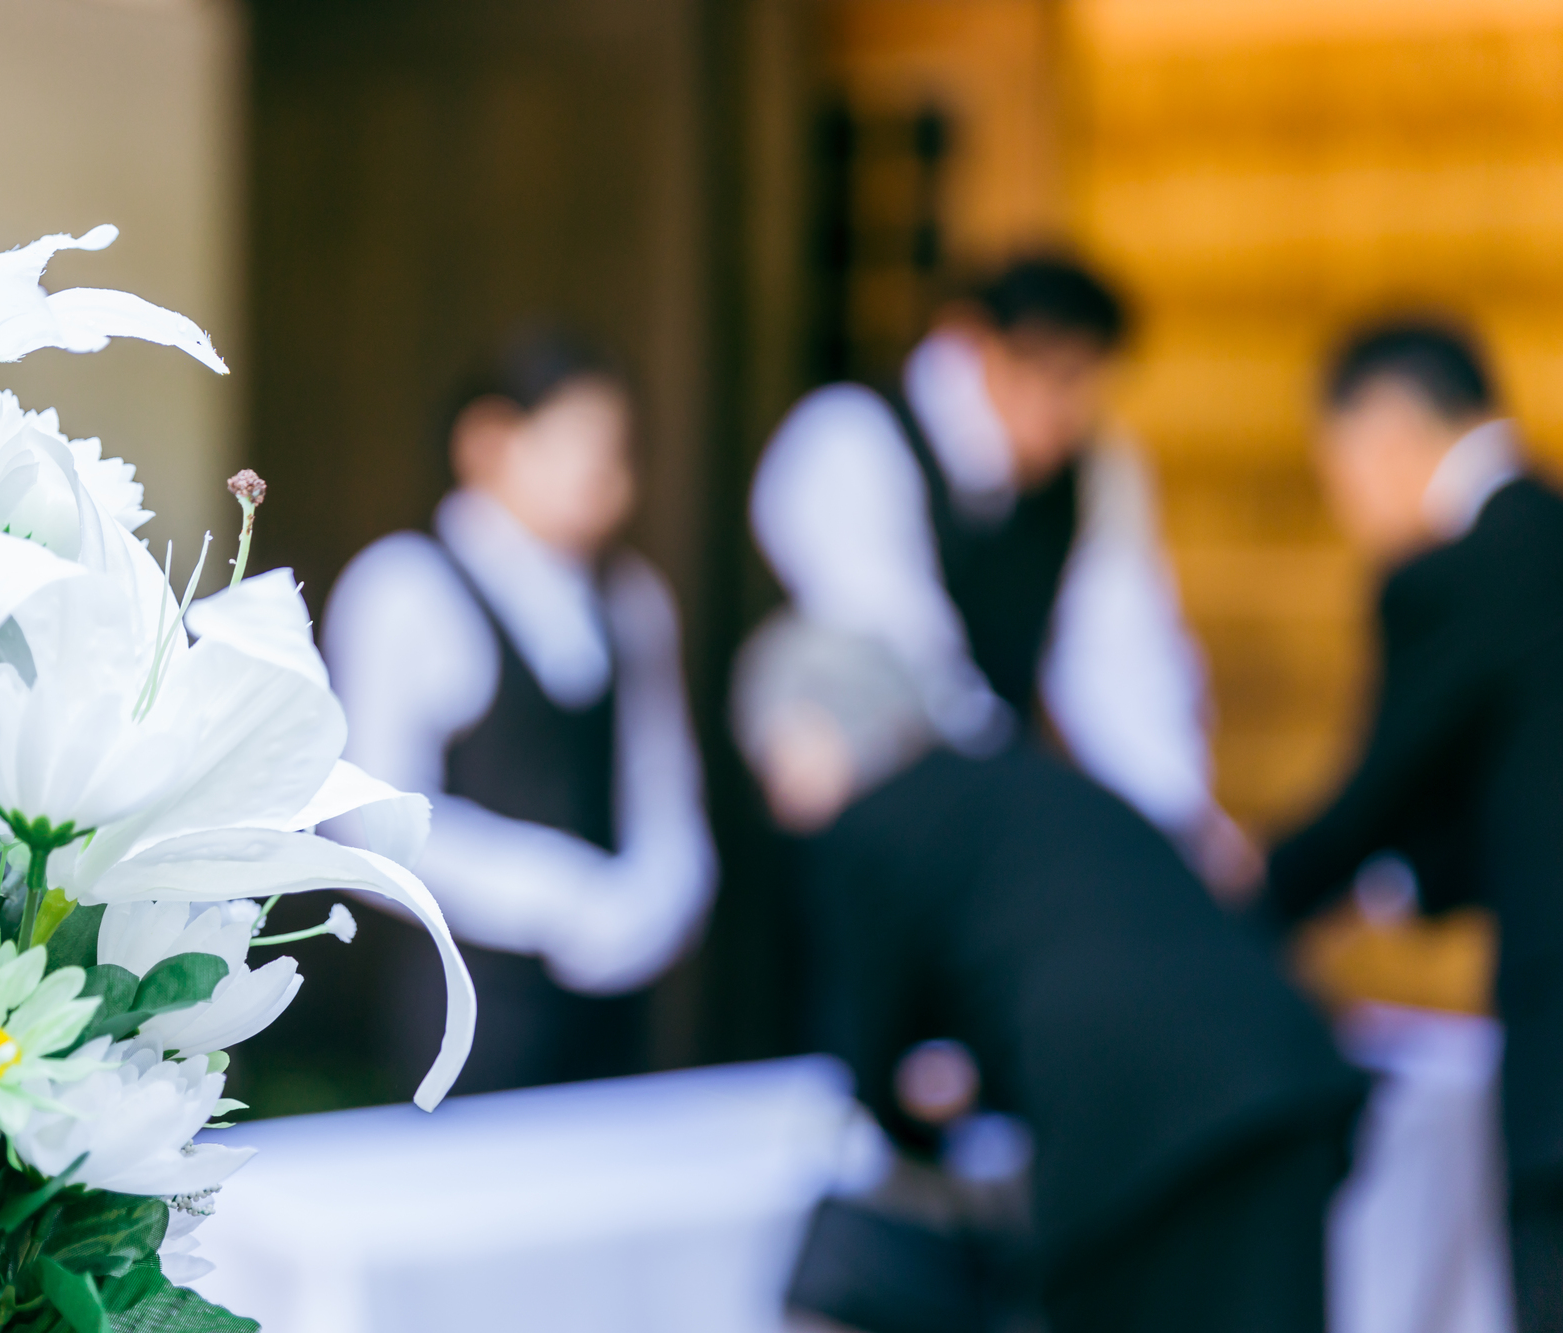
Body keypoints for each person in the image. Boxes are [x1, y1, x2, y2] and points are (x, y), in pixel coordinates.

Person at [734, 612, 1366, 1333]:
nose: (773, 800)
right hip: (1282, 1067)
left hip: (1135, 1125)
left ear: (812, 732)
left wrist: (937, 1100)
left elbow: (878, 1063)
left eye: (769, 759)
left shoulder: (869, 827)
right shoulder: (1025, 777)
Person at [750, 256, 1253, 884]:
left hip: (996, 764)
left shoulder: (1096, 473)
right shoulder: (851, 437)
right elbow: (896, 637)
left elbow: (1124, 654)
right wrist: (1017, 785)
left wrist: (1177, 818)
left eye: (1090, 384)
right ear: (972, 345)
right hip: (873, 749)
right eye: (1051, 376)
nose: (1067, 408)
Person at [1260, 321, 1563, 1331]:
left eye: (1335, 471)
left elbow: (1378, 797)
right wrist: (1405, 884)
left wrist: (1237, 908)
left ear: (1384, 432)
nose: (1347, 507)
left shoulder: (1456, 575)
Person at [321, 329, 716, 1095]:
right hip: (459, 1012)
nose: (604, 473)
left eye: (618, 449)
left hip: (616, 1009)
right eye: (577, 443)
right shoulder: (404, 586)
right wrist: (559, 896)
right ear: (488, 441)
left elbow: (662, 782)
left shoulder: (634, 598)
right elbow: (369, 823)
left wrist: (662, 899)